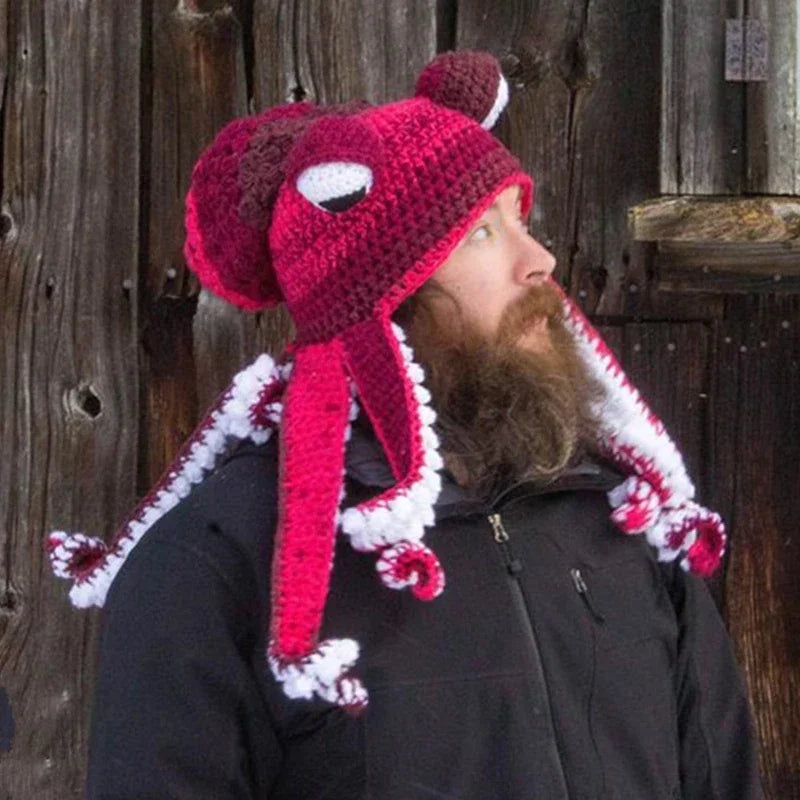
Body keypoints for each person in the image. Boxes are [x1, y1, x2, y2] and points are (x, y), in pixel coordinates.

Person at [46, 51, 763, 799]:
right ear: (383, 295)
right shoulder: (216, 561)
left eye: (520, 221)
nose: (540, 261)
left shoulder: (622, 522)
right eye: (480, 233)